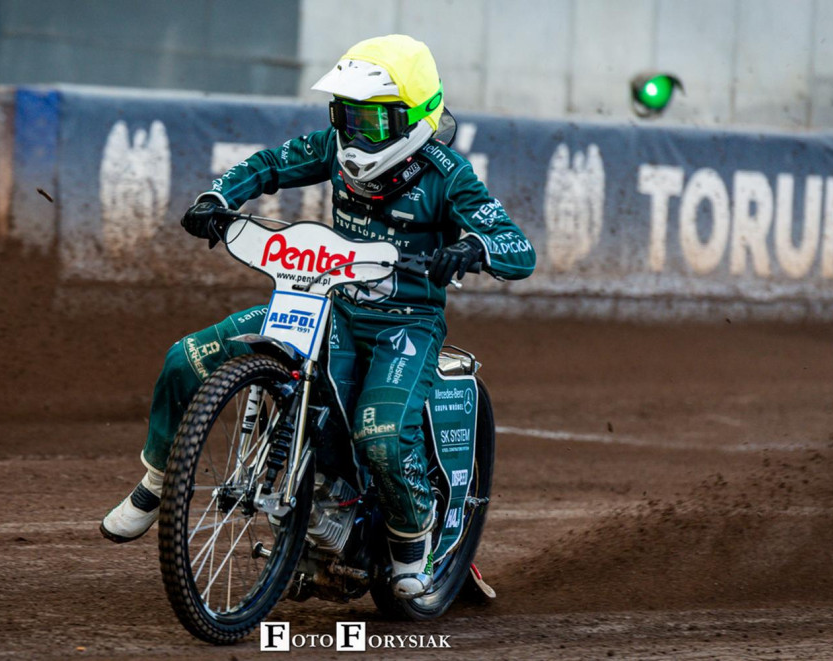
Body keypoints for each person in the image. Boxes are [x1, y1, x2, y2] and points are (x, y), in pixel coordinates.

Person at [100, 34, 536, 599]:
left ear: (417, 117)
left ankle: (411, 544)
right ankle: (157, 481)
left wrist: (474, 247)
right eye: (346, 115)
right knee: (186, 359)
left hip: (404, 325)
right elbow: (268, 164)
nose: (355, 134)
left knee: (380, 436)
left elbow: (518, 248)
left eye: (372, 121)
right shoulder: (331, 146)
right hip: (325, 302)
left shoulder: (447, 173)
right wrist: (218, 198)